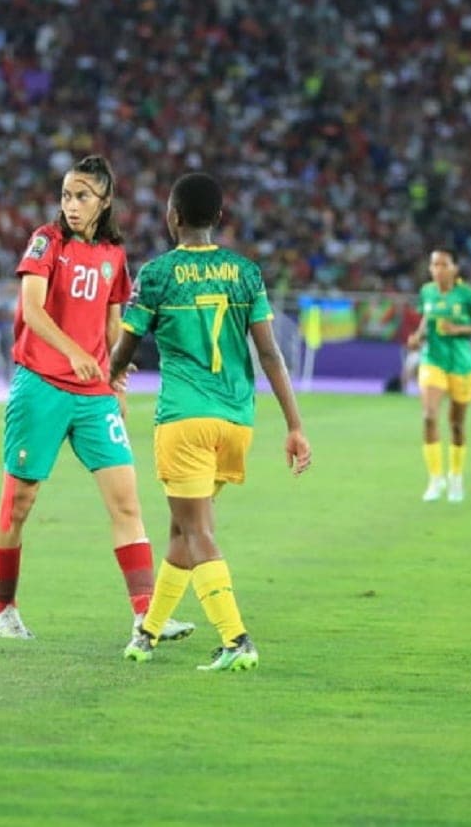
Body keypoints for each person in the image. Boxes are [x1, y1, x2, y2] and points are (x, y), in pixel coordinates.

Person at [0, 154, 195, 643]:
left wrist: (116, 379)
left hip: (94, 393)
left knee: (127, 502)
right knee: (19, 505)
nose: (72, 205)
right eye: (66, 195)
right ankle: (2, 610)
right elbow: (32, 311)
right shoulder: (46, 241)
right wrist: (75, 352)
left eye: (82, 196)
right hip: (41, 385)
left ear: (104, 200)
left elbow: (112, 323)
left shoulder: (113, 254)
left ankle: (146, 615)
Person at [112, 172, 312, 672]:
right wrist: (294, 425)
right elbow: (270, 354)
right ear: (218, 217)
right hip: (236, 421)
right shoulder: (245, 272)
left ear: (173, 216)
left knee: (198, 531)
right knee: (182, 529)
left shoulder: (157, 274)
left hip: (185, 419)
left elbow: (126, 347)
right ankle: (147, 633)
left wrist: (103, 382)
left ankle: (236, 638)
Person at [406, 250, 471, 503]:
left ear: (454, 268)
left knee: (456, 424)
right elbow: (427, 318)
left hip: (462, 365)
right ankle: (435, 479)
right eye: (434, 265)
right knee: (429, 416)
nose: (438, 269)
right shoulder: (427, 292)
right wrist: (418, 337)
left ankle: (456, 477)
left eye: (444, 265)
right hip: (433, 361)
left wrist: (459, 329)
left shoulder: (468, 294)